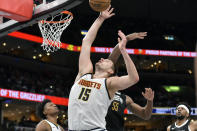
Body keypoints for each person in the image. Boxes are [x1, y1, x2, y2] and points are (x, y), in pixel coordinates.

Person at [68, 5, 139, 130]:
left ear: (111, 71)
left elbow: (133, 78)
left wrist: (123, 50)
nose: (102, 58)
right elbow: (86, 42)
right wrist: (100, 19)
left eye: (106, 60)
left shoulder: (109, 83)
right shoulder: (84, 73)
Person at [105, 32, 154, 131]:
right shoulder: (100, 86)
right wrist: (126, 39)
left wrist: (149, 101)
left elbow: (145, 115)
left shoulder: (125, 98)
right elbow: (112, 58)